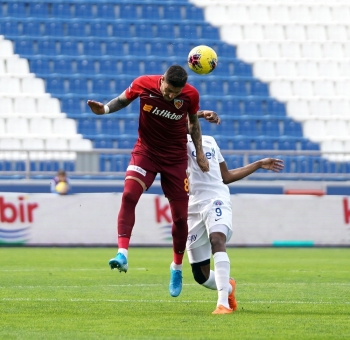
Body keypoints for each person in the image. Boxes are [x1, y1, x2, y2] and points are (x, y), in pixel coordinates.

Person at [87, 65, 218, 298]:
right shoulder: (143, 83)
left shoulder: (190, 95)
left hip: (175, 159)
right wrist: (105, 109)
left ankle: (176, 268)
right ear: (162, 81)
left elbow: (193, 124)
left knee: (179, 217)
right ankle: (122, 254)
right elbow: (122, 100)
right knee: (128, 195)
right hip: (145, 152)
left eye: (175, 93)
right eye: (168, 90)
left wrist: (199, 153)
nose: (170, 96)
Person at [186, 124, 284, 314]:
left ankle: (223, 303)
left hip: (217, 199)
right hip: (192, 207)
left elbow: (226, 176)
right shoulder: (172, 143)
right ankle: (229, 287)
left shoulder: (210, 141)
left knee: (217, 239)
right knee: (201, 276)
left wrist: (257, 164)